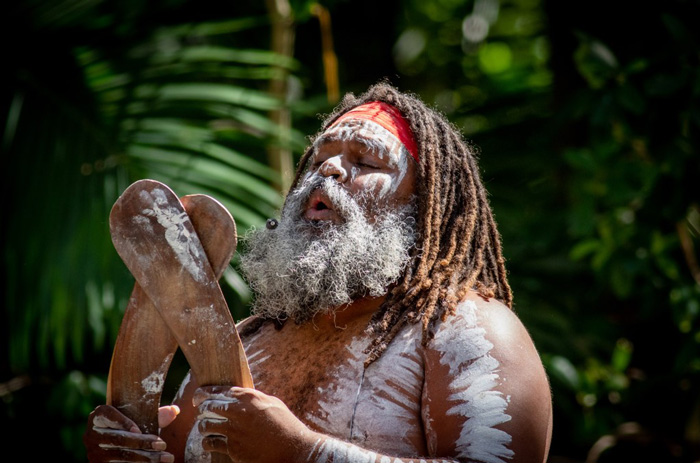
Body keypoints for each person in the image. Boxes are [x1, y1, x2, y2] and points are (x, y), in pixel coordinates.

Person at [84, 82, 553, 463]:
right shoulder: (244, 341)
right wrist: (130, 452)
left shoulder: (464, 332)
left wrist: (302, 453)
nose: (327, 169)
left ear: (421, 203)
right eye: (318, 157)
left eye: (366, 161)